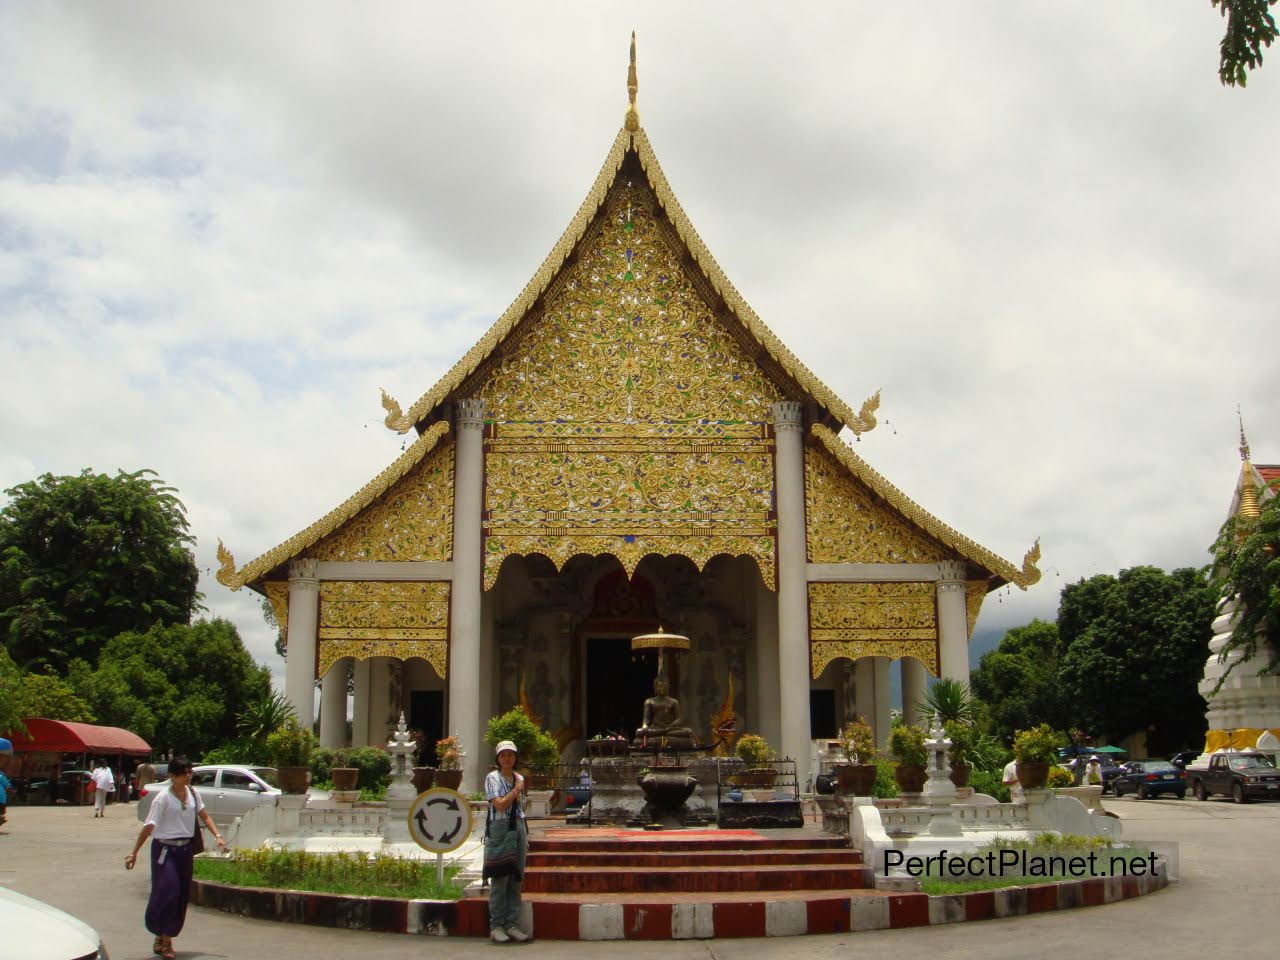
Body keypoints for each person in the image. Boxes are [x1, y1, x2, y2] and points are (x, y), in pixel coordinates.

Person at [125, 756, 226, 960]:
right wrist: (134, 852)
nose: (188, 776)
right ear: (172, 775)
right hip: (164, 850)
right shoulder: (162, 798)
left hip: (185, 850)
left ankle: (163, 936)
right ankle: (165, 938)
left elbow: (204, 815)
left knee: (180, 896)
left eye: (190, 772)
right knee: (168, 892)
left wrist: (217, 835)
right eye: (183, 772)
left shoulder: (193, 794)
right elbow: (149, 826)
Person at [484, 739, 530, 945]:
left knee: (515, 876)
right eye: (503, 755)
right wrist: (516, 790)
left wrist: (517, 789)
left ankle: (512, 924)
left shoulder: (518, 777)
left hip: (518, 827)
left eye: (511, 754)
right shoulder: (492, 778)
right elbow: (500, 804)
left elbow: (521, 806)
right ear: (498, 758)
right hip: (500, 827)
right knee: (500, 877)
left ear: (515, 757)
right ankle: (497, 926)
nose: (507, 758)